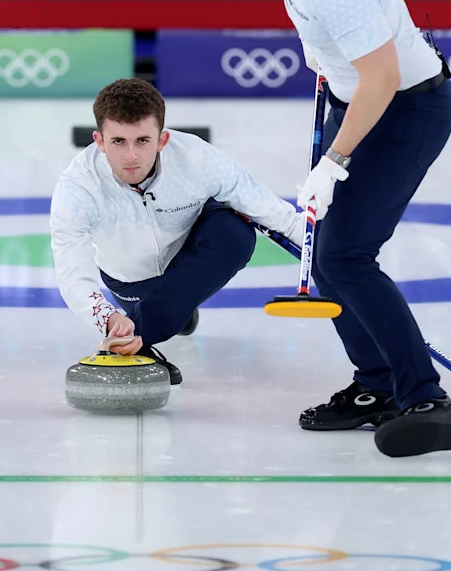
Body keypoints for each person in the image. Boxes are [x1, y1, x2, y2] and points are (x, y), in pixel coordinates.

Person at [192, 0, 451, 458]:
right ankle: (377, 386)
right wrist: (327, 58)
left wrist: (334, 162)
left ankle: (425, 398)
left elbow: (382, 78)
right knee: (330, 252)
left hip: (402, 112)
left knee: (346, 256)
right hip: (364, 100)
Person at [50, 78, 304, 384]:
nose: (131, 155)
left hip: (190, 249)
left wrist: (322, 247)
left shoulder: (196, 157)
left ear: (162, 140)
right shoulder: (78, 187)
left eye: (143, 140)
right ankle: (169, 312)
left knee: (234, 233)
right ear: (99, 140)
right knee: (165, 308)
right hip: (132, 280)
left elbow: (264, 205)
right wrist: (108, 319)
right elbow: (71, 269)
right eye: (118, 141)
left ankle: (144, 333)